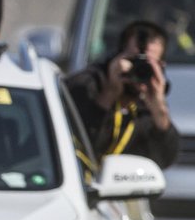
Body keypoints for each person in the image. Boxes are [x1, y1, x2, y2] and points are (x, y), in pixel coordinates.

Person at [66, 19, 180, 169]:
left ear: (161, 67)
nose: (139, 70)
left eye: (149, 64)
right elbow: (79, 142)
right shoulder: (85, 86)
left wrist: (159, 109)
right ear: (118, 56)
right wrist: (109, 93)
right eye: (134, 61)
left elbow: (165, 160)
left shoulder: (147, 102)